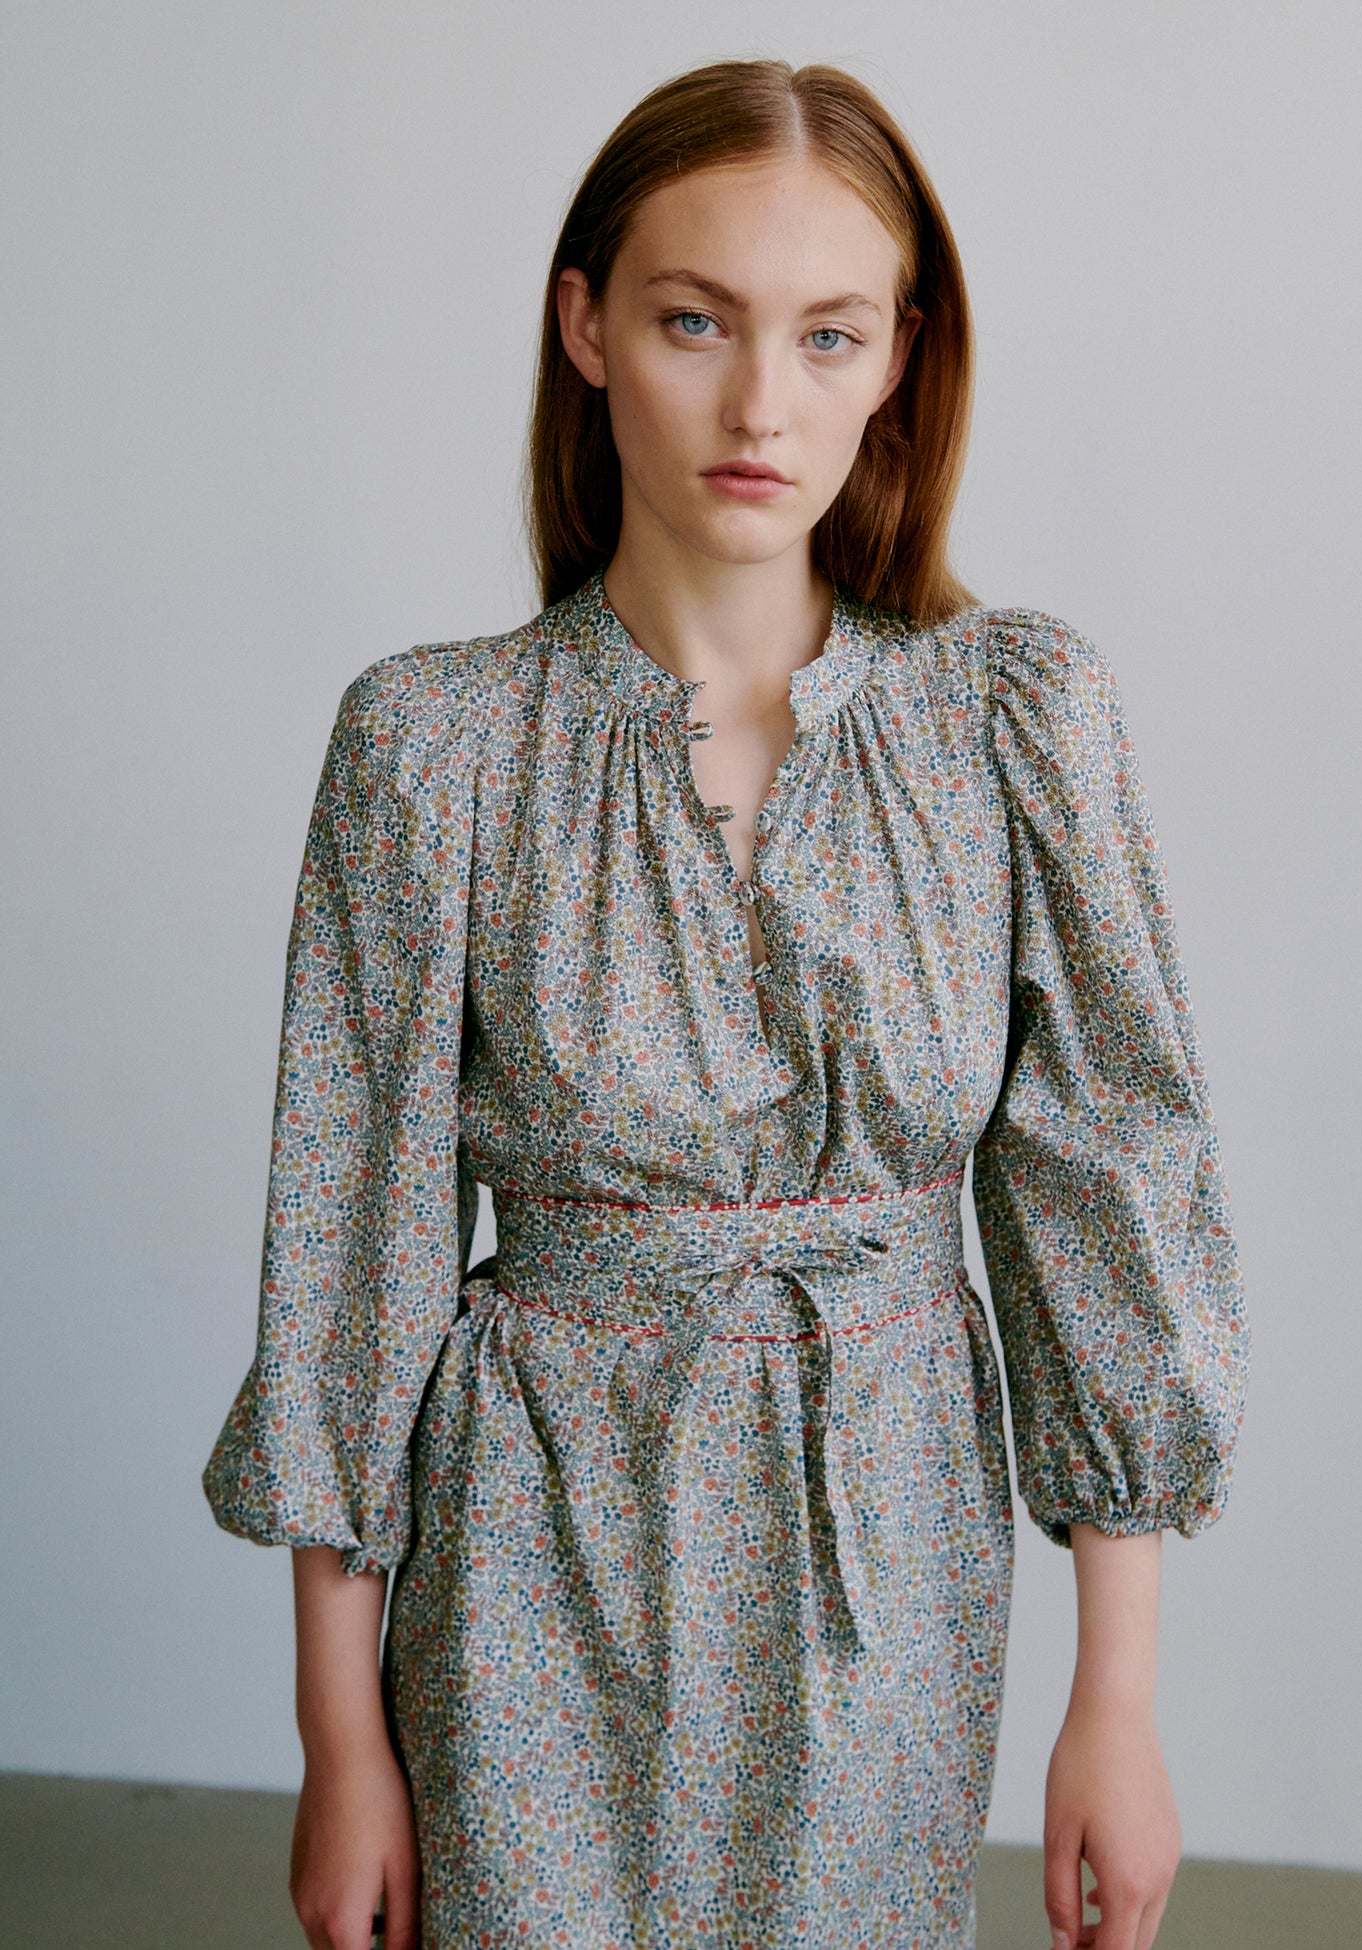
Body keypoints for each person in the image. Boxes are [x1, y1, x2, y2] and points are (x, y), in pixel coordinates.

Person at [203, 56, 1247, 1950]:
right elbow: (351, 1255)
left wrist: (1118, 1698)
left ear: (899, 358)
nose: (764, 402)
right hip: (534, 1550)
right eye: (697, 320)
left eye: (829, 334)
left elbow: (1105, 1192)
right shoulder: (435, 745)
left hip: (889, 1548)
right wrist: (338, 1742)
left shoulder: (1012, 723)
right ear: (586, 327)